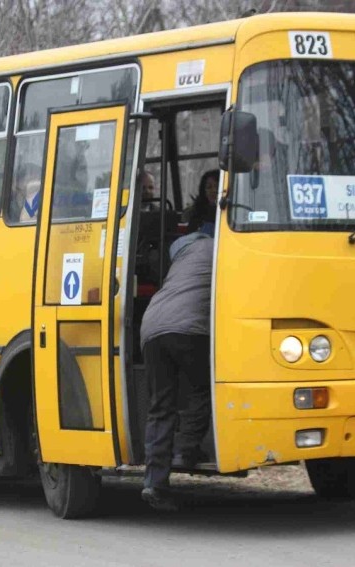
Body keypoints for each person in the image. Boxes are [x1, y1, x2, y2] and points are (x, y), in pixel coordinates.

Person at [139, 230, 214, 511]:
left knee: (160, 406)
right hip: (188, 328)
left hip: (151, 327)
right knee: (204, 386)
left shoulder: (180, 262)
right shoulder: (216, 247)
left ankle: (154, 482)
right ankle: (187, 450)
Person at [184, 170, 219, 235]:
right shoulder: (198, 212)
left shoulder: (230, 213)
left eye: (217, 187)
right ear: (203, 191)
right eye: (209, 187)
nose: (214, 190)